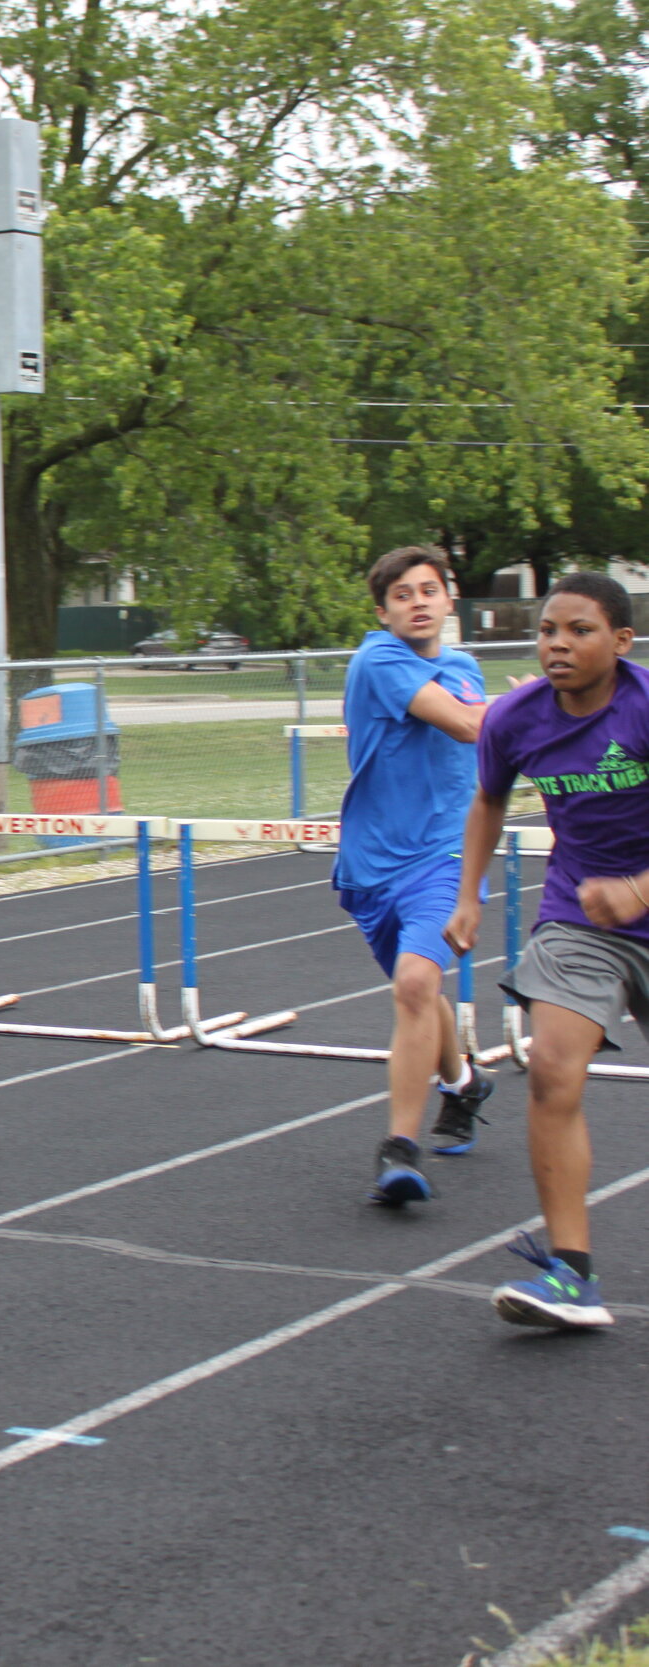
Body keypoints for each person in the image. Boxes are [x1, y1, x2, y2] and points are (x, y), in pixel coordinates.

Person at [447, 571, 649, 1331]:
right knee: (553, 1068)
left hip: (639, 895)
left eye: (579, 630)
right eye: (547, 631)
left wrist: (637, 887)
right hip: (579, 916)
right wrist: (470, 895)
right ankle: (573, 1274)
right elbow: (489, 799)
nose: (558, 644)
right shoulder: (514, 718)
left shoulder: (646, 704)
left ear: (621, 642)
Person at [336, 545, 495, 1206]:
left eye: (430, 589)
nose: (419, 601)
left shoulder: (465, 666)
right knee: (420, 998)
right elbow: (466, 725)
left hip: (445, 860)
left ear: (449, 600)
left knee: (416, 982)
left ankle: (398, 1149)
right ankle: (463, 1085)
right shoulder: (379, 659)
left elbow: (486, 737)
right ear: (383, 610)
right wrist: (553, 692)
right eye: (403, 593)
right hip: (373, 866)